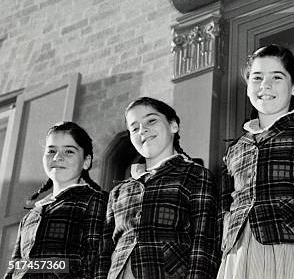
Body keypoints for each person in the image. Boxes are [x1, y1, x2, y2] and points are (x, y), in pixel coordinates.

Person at [217, 44, 294, 279]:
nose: (265, 85)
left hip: (293, 248)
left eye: (277, 77)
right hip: (236, 255)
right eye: (257, 78)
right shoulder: (234, 149)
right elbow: (225, 205)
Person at [96, 97, 219, 279]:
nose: (142, 130)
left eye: (151, 121)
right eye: (134, 128)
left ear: (173, 126)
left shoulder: (196, 175)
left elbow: (205, 242)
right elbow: (103, 252)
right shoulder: (118, 192)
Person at [5, 121, 107, 279]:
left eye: (69, 152)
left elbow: (96, 259)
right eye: (51, 151)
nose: (58, 157)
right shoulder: (30, 215)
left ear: (86, 161)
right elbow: (15, 266)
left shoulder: (95, 201)